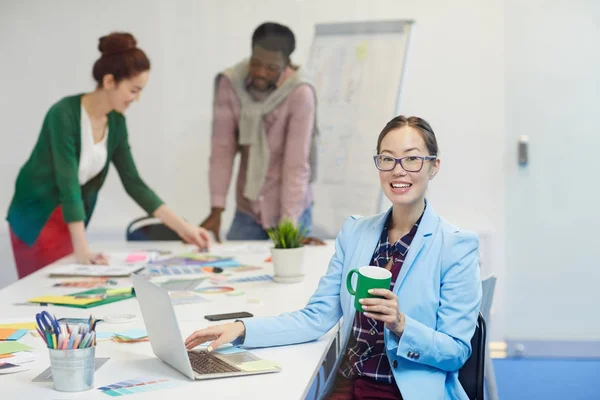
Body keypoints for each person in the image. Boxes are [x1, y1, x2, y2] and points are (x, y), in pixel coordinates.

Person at [186, 116, 482, 400]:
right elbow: (316, 317)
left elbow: (455, 352)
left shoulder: (455, 246)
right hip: (347, 384)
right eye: (387, 158)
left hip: (402, 391)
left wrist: (402, 324)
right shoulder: (357, 232)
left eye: (412, 158)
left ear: (433, 167)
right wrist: (242, 328)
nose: (398, 170)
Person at [6, 32, 211, 279]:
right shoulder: (63, 114)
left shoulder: (116, 123)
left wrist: (185, 229)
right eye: (134, 90)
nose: (137, 98)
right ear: (110, 81)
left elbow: (135, 184)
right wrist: (82, 248)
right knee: (46, 293)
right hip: (38, 217)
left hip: (71, 219)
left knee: (72, 290)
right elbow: (68, 182)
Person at [200, 22, 320, 242]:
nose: (261, 73)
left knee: (288, 273)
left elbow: (295, 165)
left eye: (272, 67)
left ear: (287, 63)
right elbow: (222, 150)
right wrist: (217, 208)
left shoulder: (300, 93)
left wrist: (288, 228)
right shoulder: (231, 84)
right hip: (249, 210)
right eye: (256, 63)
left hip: (292, 210)